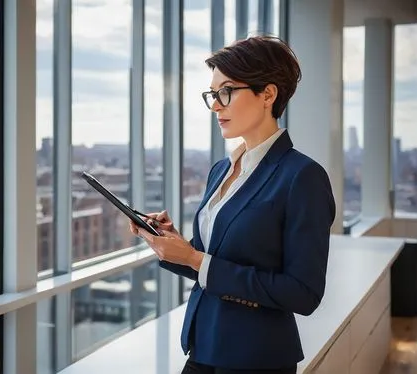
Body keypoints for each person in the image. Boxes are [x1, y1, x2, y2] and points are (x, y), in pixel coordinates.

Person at [129, 35, 336, 374]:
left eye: (226, 92)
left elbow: (303, 293)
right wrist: (171, 244)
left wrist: (195, 258)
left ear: (267, 94)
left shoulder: (303, 177)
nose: (215, 105)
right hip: (203, 347)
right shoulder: (222, 170)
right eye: (213, 94)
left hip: (256, 357)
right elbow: (213, 262)